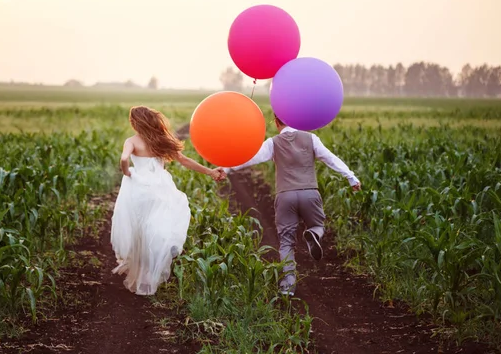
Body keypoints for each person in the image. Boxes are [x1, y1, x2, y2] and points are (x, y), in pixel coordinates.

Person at [223, 114, 361, 296]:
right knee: (318, 224)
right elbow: (330, 158)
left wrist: (225, 168)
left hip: (285, 196)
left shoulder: (273, 143)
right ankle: (313, 233)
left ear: (276, 121)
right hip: (310, 193)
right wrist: (351, 177)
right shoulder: (311, 138)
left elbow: (250, 158)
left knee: (286, 241)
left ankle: (288, 285)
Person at [111, 106, 225, 295]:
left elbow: (124, 159)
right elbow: (184, 160)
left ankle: (142, 269)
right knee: (157, 224)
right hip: (159, 187)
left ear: (134, 123)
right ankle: (159, 257)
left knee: (138, 227)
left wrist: (127, 172)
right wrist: (211, 172)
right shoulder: (161, 140)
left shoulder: (131, 141)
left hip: (138, 188)